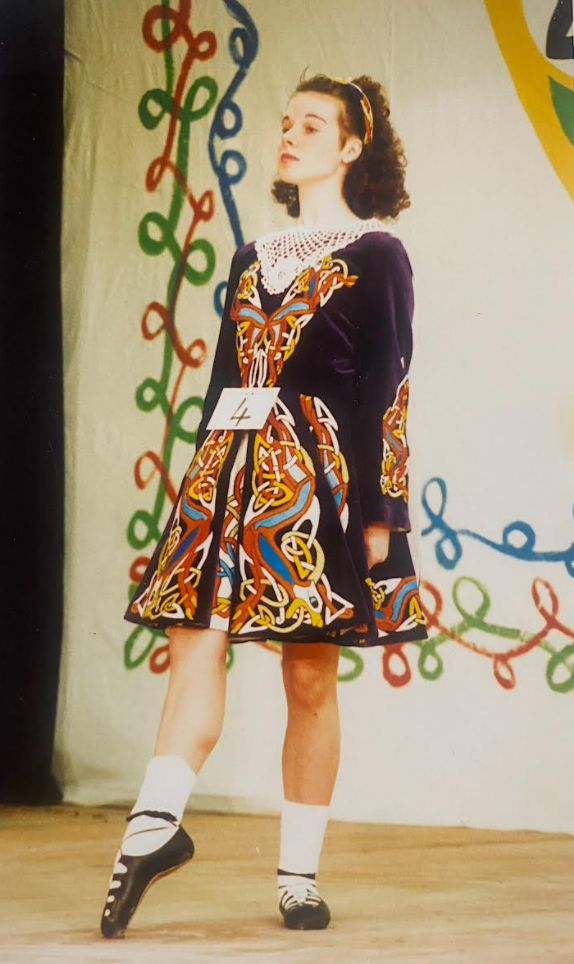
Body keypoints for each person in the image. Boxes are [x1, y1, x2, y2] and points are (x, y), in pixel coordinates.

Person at [100, 72, 428, 940]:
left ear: (352, 147)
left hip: (313, 478)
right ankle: (155, 823)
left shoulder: (377, 254)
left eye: (311, 124)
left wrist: (380, 516)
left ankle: (297, 875)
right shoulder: (252, 255)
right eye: (285, 122)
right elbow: (221, 384)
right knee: (192, 639)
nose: (289, 135)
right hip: (228, 471)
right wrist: (198, 491)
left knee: (308, 672)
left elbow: (386, 390)